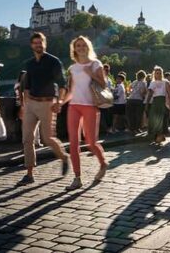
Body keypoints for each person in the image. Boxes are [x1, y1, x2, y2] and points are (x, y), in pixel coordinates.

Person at [56, 36, 108, 190]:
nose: (81, 48)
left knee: (91, 142)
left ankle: (103, 163)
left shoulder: (95, 63)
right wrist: (61, 102)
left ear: (88, 47)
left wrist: (91, 73)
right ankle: (77, 178)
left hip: (90, 106)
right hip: (74, 107)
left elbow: (104, 84)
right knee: (73, 144)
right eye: (78, 46)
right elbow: (71, 91)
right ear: (74, 49)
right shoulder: (72, 68)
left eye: (83, 45)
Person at [19, 32, 70, 185]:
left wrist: (59, 102)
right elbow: (26, 87)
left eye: (40, 42)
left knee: (48, 139)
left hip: (48, 104)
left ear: (44, 43)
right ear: (31, 45)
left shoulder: (53, 61)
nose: (38, 45)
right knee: (27, 139)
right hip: (31, 104)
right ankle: (29, 173)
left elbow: (62, 84)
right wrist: (24, 105)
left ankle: (64, 157)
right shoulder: (29, 64)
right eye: (35, 43)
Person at [145, 66, 170, 146]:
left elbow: (169, 94)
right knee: (154, 119)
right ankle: (157, 136)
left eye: (160, 73)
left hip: (163, 102)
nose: (158, 74)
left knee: (162, 119)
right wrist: (147, 104)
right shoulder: (153, 83)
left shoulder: (165, 82)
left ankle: (160, 136)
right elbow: (149, 94)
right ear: (154, 74)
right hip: (155, 102)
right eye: (157, 73)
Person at [15, 71, 41, 148]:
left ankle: (27, 142)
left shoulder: (17, 85)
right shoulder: (23, 85)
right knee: (33, 124)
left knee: (25, 125)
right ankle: (35, 141)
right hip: (26, 105)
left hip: (20, 105)